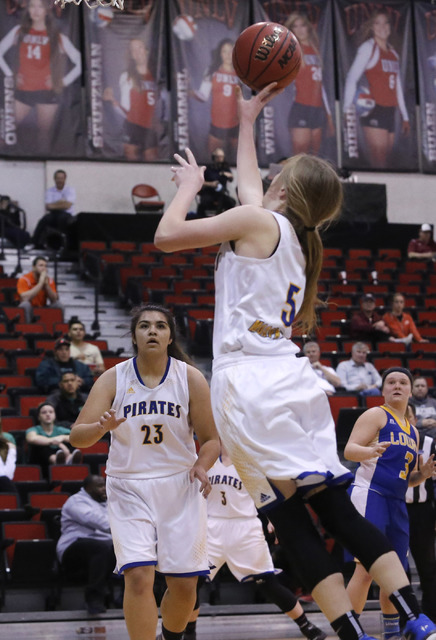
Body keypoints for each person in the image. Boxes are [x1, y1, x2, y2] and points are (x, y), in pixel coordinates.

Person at [154, 83, 436, 640]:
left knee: (286, 515)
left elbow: (166, 236)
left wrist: (187, 188)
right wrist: (246, 122)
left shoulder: (260, 224)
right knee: (334, 507)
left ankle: (349, 631)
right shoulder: (295, 239)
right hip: (292, 380)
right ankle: (413, 615)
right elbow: (251, 188)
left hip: (250, 384)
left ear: (286, 188)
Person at [69, 304, 220, 640]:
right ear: (134, 336)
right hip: (128, 485)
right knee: (138, 576)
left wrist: (201, 465)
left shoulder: (189, 377)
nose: (153, 331)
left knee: (183, 586)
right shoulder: (114, 377)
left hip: (180, 485)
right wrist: (99, 427)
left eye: (161, 326)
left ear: (169, 336)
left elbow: (211, 440)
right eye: (145, 326)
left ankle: (172, 636)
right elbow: (77, 435)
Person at [184, 443, 327, 640]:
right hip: (212, 527)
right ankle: (188, 633)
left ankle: (306, 625)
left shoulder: (249, 461)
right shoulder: (205, 459)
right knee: (190, 583)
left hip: (246, 528)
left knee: (267, 582)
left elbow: (265, 497)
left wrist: (273, 522)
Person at [344, 367, 436, 640]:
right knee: (365, 570)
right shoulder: (376, 415)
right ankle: (349, 632)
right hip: (370, 495)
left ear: (410, 390)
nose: (397, 386)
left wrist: (425, 475)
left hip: (397, 503)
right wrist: (369, 451)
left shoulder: (413, 431)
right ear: (383, 389)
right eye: (391, 382)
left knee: (395, 574)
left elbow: (407, 480)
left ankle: (392, 634)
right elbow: (350, 449)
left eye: (402, 382)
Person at [0, 0, 81, 153]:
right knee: (6, 130)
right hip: (23, 91)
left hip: (46, 93)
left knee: (43, 136)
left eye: (40, 7)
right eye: (32, 6)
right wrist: (11, 75)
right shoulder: (19, 31)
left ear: (46, 11)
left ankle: (45, 169)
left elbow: (79, 61)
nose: (36, 10)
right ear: (28, 10)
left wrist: (62, 81)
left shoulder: (56, 36)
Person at [343, 9, 410, 168]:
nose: (382, 27)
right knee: (378, 160)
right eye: (377, 23)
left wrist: (405, 115)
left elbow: (397, 86)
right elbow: (351, 79)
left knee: (386, 159)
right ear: (372, 27)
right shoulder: (368, 48)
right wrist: (347, 109)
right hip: (374, 108)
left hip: (390, 110)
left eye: (386, 22)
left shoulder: (393, 52)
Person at [56, 474, 117, 615]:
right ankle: (93, 599)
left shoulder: (107, 503)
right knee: (100, 547)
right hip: (72, 549)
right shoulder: (76, 502)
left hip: (102, 548)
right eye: (100, 486)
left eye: (105, 486)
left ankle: (126, 596)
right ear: (88, 488)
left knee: (134, 549)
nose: (104, 489)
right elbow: (102, 523)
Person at [284, 13, 335, 155]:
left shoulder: (316, 50)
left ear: (308, 28)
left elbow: (321, 86)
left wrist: (329, 115)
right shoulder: (292, 50)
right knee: (300, 155)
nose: (300, 30)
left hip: (318, 109)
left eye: (302, 25)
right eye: (295, 26)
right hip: (301, 107)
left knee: (314, 156)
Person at [103, 38, 160, 162]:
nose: (137, 52)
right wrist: (113, 102)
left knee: (152, 161)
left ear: (146, 50)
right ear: (131, 55)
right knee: (131, 162)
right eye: (133, 50)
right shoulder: (127, 76)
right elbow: (126, 109)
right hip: (132, 127)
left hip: (151, 128)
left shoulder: (157, 75)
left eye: (139, 47)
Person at [405, 403, 436, 622]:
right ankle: (405, 617)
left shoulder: (429, 442)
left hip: (422, 511)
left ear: (415, 420)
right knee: (396, 568)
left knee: (428, 567)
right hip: (394, 508)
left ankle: (431, 618)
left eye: (407, 417)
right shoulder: (384, 441)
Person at [193, 39, 239, 162]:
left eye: (231, 51)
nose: (228, 55)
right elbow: (203, 95)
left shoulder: (242, 73)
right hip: (218, 124)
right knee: (214, 159)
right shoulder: (212, 71)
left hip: (237, 124)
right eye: (225, 51)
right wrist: (189, 92)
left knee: (236, 160)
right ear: (220, 53)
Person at [26, 402, 82, 479]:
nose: (48, 414)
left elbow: (76, 438)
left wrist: (62, 437)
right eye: (44, 412)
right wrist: (57, 443)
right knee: (41, 447)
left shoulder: (60, 429)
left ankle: (68, 459)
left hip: (62, 454)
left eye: (51, 412)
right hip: (42, 463)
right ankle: (57, 460)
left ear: (55, 415)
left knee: (70, 444)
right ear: (38, 417)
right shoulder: (34, 429)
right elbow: (31, 438)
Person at [33, 170, 76, 250]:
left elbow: (67, 205)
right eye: (58, 178)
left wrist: (55, 204)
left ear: (65, 179)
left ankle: (63, 245)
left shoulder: (70, 190)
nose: (59, 180)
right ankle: (36, 244)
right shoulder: (50, 190)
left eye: (61, 178)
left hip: (66, 214)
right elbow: (48, 206)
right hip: (53, 214)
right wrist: (61, 202)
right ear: (54, 179)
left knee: (62, 219)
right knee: (44, 220)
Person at [16, 255, 63, 323]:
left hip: (43, 307)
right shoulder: (24, 279)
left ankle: (59, 329)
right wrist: (40, 284)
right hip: (29, 308)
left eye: (45, 266)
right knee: (25, 304)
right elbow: (25, 298)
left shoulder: (49, 280)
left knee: (58, 305)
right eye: (41, 265)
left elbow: (54, 299)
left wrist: (46, 285)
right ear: (34, 267)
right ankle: (27, 329)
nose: (44, 268)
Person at [196, 148, 236, 218]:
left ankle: (227, 221)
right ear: (214, 157)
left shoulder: (225, 168)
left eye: (221, 157)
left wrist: (224, 173)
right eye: (218, 157)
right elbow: (200, 182)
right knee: (202, 204)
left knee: (231, 202)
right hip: (209, 193)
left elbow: (231, 178)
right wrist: (211, 184)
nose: (220, 159)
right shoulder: (208, 169)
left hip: (221, 194)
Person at [0, 413, 17, 493]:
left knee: (4, 481)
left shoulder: (7, 446)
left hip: (3, 485)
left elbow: (7, 476)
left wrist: (11, 451)